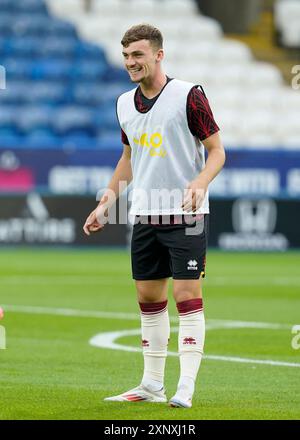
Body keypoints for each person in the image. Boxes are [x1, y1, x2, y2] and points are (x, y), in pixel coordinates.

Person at [83, 24, 225, 408]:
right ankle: (151, 384)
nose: (131, 62)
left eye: (138, 55)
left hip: (185, 213)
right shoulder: (123, 103)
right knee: (148, 297)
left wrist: (200, 181)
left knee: (186, 294)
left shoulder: (188, 95)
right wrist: (106, 201)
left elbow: (216, 150)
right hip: (145, 213)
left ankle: (186, 387)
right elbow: (129, 158)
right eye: (127, 55)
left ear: (158, 55)